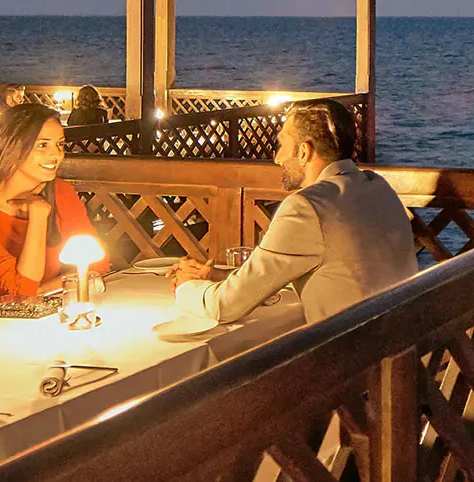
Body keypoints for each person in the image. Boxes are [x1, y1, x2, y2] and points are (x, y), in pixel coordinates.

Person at [171, 100, 416, 324]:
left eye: (281, 145)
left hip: (348, 362)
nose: (277, 158)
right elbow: (332, 272)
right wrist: (214, 274)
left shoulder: (307, 207)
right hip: (398, 350)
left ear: (303, 152)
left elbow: (223, 307)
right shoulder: (378, 187)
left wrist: (187, 287)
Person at [0, 103, 99, 315]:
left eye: (60, 145)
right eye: (43, 145)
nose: (56, 155)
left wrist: (42, 291)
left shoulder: (60, 192)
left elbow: (96, 265)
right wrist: (38, 216)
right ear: (12, 148)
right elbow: (24, 290)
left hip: (36, 318)